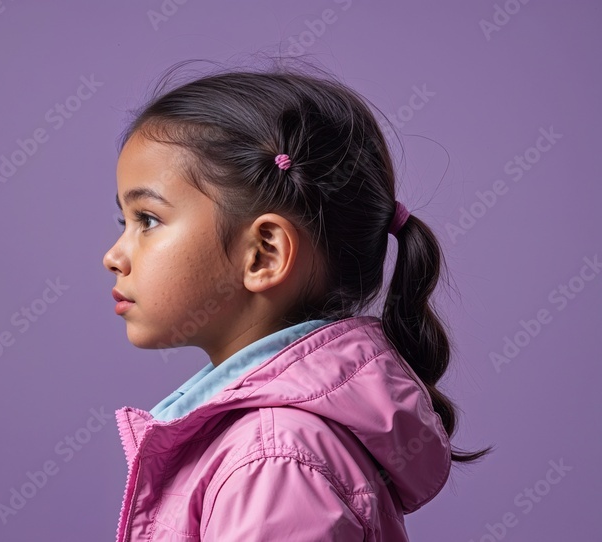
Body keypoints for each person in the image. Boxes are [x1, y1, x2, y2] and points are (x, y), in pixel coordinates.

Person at [102, 59, 491, 541]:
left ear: (263, 253)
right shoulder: (267, 446)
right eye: (125, 222)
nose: (114, 256)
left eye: (148, 219)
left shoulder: (272, 460)